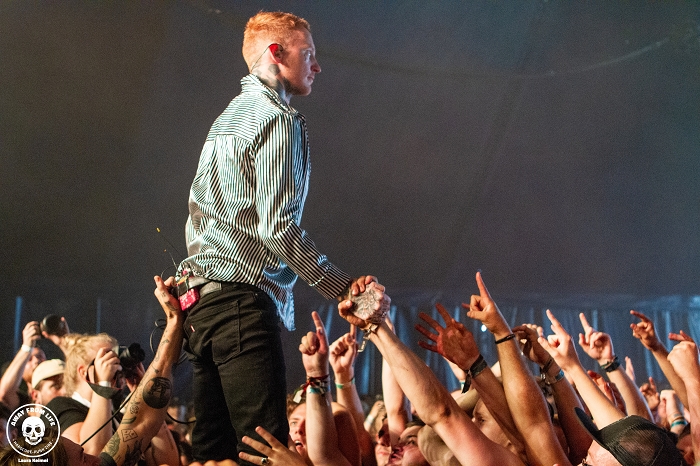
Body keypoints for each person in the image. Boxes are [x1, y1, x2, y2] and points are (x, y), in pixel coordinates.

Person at [177, 10, 386, 464]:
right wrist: (342, 288)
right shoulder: (276, 118)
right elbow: (277, 228)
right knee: (265, 451)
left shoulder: (226, 120)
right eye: (308, 54)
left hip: (201, 307)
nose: (317, 66)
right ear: (276, 53)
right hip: (240, 302)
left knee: (210, 455)